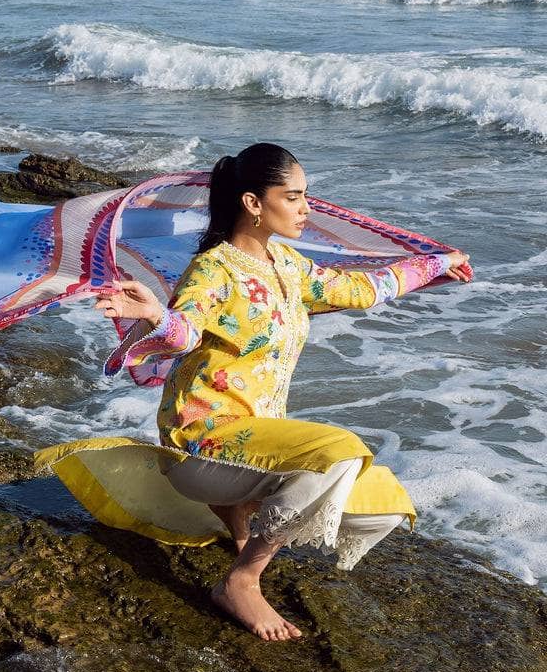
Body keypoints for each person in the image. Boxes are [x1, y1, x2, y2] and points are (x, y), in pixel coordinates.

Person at [92, 143, 470, 643]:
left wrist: (436, 266)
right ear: (253, 203)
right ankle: (241, 580)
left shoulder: (288, 266)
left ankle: (237, 521)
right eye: (292, 197)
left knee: (380, 501)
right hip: (200, 443)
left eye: (305, 196)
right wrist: (156, 316)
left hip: (250, 441)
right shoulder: (214, 270)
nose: (305, 209)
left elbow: (359, 289)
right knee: (337, 456)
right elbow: (185, 332)